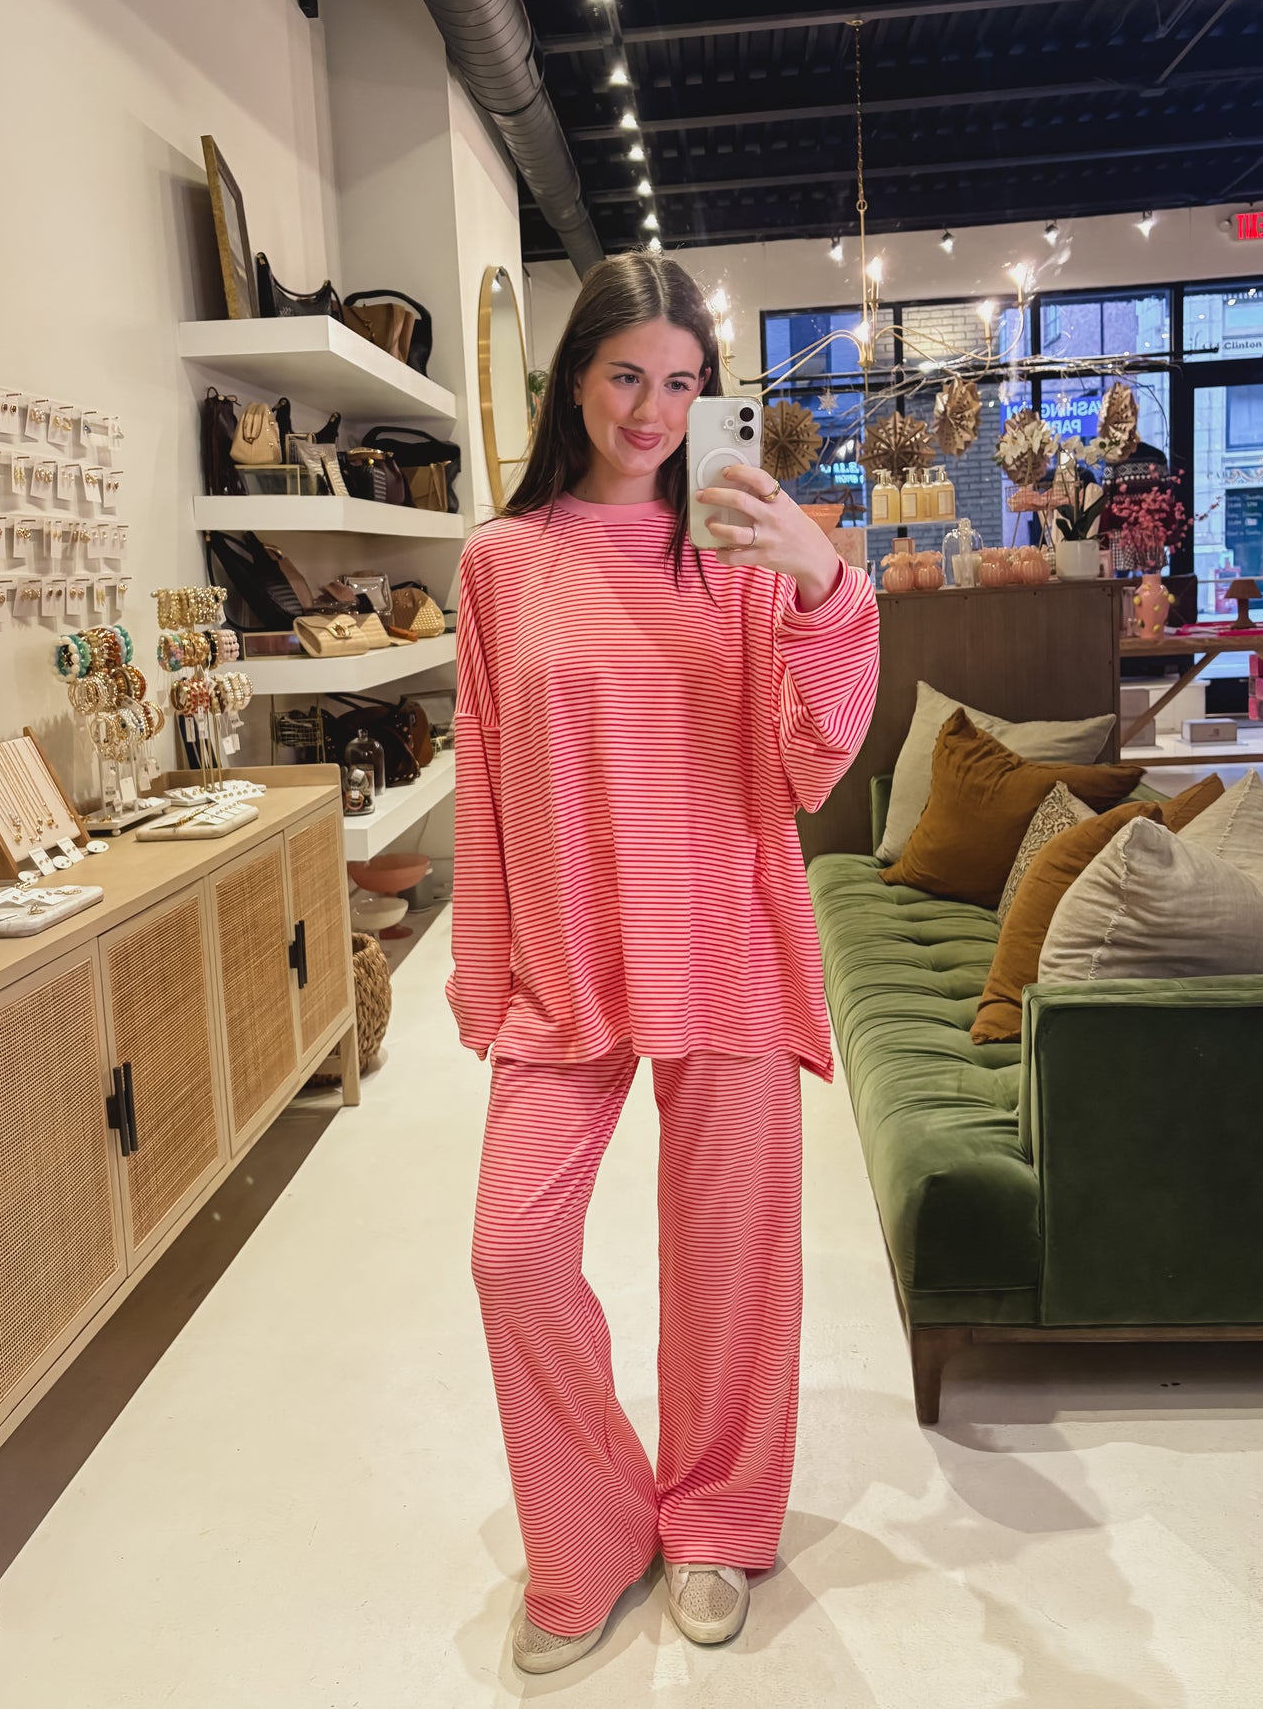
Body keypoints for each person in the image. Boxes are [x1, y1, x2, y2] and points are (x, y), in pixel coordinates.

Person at [448, 252, 881, 1675]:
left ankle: (712, 1520)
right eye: (626, 373)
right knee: (512, 1249)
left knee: (729, 1267)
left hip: (730, 942)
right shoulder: (500, 565)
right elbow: (487, 772)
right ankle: (590, 1532)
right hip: (568, 957)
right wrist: (486, 961)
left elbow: (815, 754)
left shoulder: (745, 550)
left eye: (682, 383)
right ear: (571, 376)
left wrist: (823, 581)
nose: (651, 408)